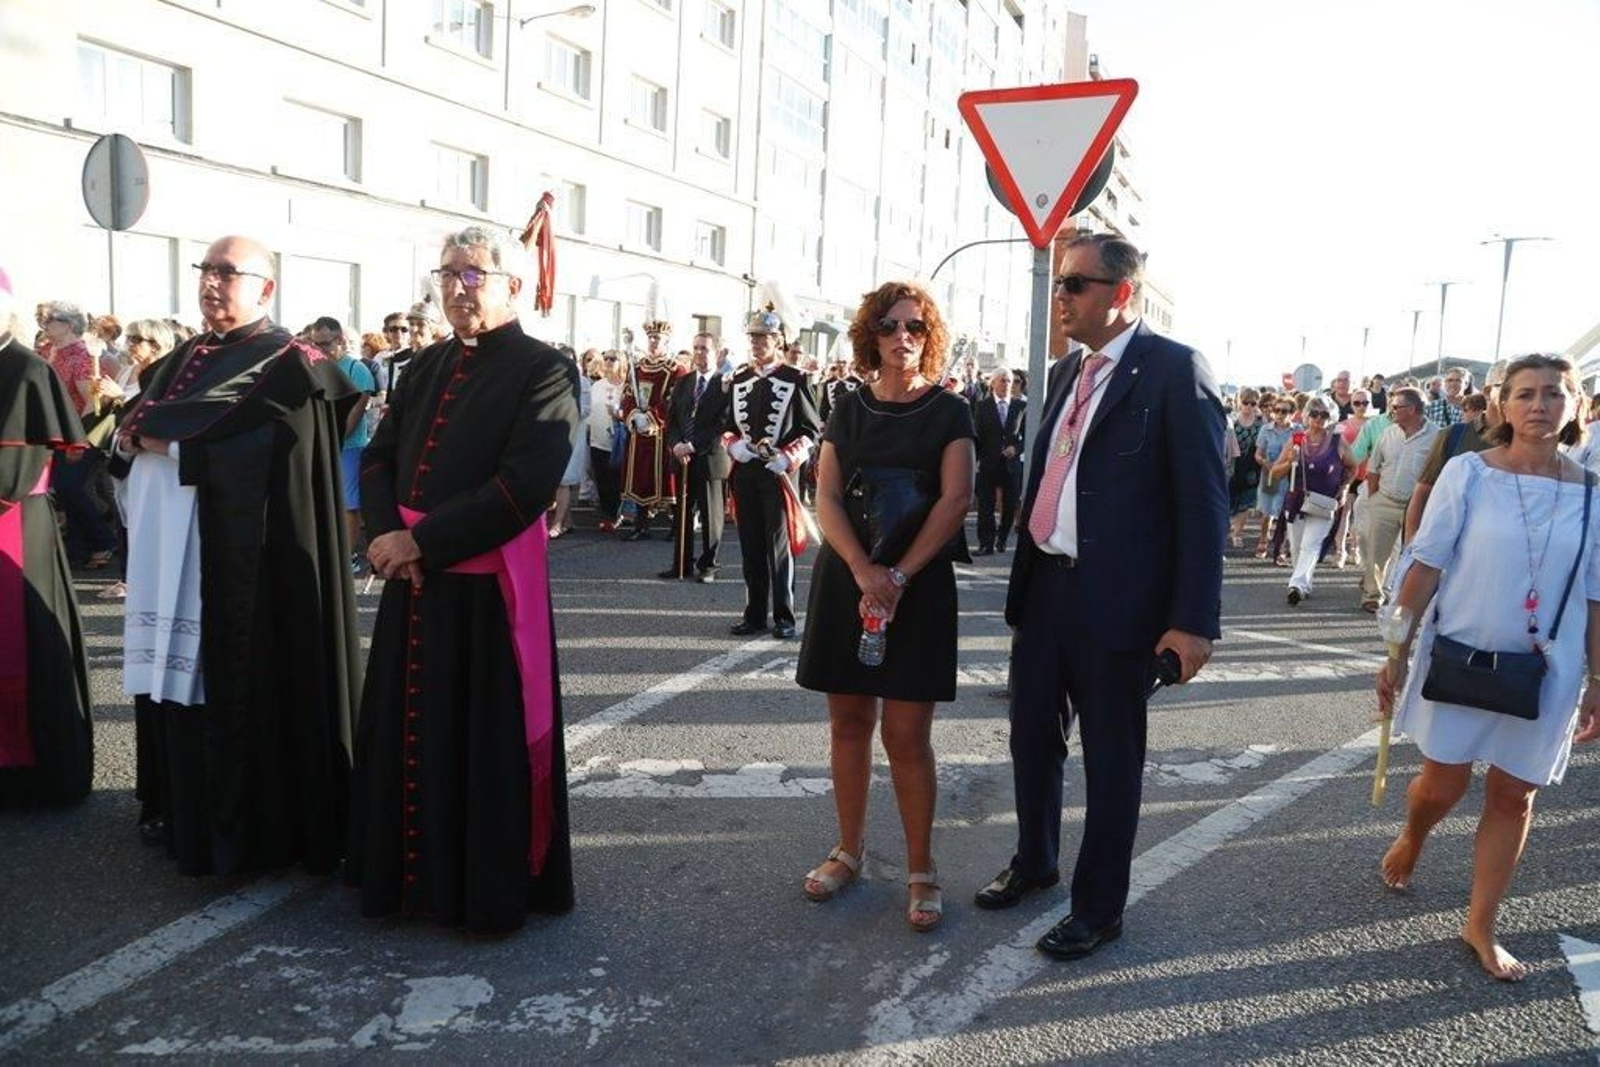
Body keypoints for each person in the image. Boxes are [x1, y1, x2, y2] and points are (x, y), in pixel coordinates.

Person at [975, 232, 1227, 960]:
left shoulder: (1177, 370)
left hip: (1122, 603)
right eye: (1059, 283)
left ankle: (1098, 907)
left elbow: (1203, 503)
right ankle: (1035, 859)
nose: (1060, 296)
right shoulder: (1064, 370)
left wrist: (1192, 621)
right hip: (1048, 587)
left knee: (1111, 759)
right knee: (1031, 736)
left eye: (1075, 284)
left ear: (1122, 294)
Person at [347, 225, 580, 933]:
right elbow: (380, 457)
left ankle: (478, 891)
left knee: (480, 745)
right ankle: (401, 879)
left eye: (473, 274)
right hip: (413, 580)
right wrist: (391, 536)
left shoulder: (544, 369)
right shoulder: (419, 366)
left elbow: (524, 485)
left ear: (512, 285)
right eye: (447, 273)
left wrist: (422, 540)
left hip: (484, 594)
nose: (456, 287)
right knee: (407, 733)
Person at [110, 235, 362, 873]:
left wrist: (174, 452)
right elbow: (142, 421)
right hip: (171, 550)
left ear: (265, 288)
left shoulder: (290, 362)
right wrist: (128, 439)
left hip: (248, 558)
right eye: (206, 270)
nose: (211, 282)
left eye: (228, 272)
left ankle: (248, 828)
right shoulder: (187, 354)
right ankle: (179, 806)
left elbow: (282, 457)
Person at [1376, 354, 1600, 982]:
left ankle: (1480, 922)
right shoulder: (1468, 474)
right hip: (1461, 654)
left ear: (1575, 406)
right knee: (1440, 788)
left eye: (1553, 394)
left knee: (1513, 794)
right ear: (1501, 406)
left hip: (1545, 670)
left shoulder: (1592, 494)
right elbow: (1426, 565)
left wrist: (1597, 681)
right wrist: (1396, 648)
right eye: (1524, 393)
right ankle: (1415, 835)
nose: (1539, 405)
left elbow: (1595, 591)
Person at [795, 281, 975, 932]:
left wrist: (896, 574)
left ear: (932, 337)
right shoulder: (847, 407)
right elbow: (829, 497)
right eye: (892, 325)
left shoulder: (950, 412)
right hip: (850, 577)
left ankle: (922, 868)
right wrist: (865, 571)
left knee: (906, 734)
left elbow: (955, 500)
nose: (905, 336)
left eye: (918, 327)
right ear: (870, 333)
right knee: (847, 721)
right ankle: (849, 850)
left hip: (918, 584)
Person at [0, 265, 94, 808]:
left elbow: (20, 467)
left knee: (25, 648)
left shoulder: (27, 369)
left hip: (16, 529)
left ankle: (34, 778)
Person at [723, 305, 821, 639]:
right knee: (750, 545)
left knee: (778, 547)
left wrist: (788, 457)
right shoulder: (739, 377)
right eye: (753, 337)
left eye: (763, 337)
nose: (756, 343)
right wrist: (734, 445)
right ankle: (754, 615)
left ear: (778, 340)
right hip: (747, 472)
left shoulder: (794, 379)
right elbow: (727, 425)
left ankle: (784, 617)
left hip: (777, 473)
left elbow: (812, 430)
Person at [40, 302, 119, 569]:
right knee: (64, 489)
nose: (44, 323)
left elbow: (90, 402)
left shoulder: (82, 355)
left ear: (68, 325)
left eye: (51, 320)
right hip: (59, 432)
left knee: (69, 486)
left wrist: (79, 438)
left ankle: (103, 540)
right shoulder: (51, 351)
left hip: (79, 433)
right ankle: (78, 549)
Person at [1268, 397, 1356, 605]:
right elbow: (1274, 474)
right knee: (1297, 548)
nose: (1318, 418)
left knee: (1310, 544)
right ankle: (1303, 585)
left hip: (1324, 503)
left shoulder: (1338, 441)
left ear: (1331, 417)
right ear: (1306, 416)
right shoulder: (1296, 440)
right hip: (1296, 501)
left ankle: (1296, 585)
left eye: (1324, 415)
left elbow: (1353, 467)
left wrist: (1344, 488)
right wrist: (1290, 461)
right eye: (1314, 414)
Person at [1360, 387, 1438, 610]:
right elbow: (1374, 467)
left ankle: (1403, 597)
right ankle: (1372, 595)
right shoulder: (1388, 433)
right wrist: (1374, 499)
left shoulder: (1436, 436)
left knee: (1412, 556)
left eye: (1396, 407)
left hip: (1417, 506)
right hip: (1384, 500)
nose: (1391, 411)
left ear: (1412, 409)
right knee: (1376, 552)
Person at [661, 331, 729, 581]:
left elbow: (723, 424)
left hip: (709, 457)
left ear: (717, 353)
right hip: (682, 458)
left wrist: (692, 445)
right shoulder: (684, 381)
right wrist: (676, 444)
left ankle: (709, 566)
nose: (700, 353)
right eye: (696, 348)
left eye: (705, 349)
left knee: (712, 517)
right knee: (683, 513)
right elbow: (673, 418)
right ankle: (681, 563)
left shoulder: (725, 384)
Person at [310, 317, 374, 573]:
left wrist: (329, 439)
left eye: (325, 344)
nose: (320, 349)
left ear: (340, 340)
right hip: (323, 445)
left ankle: (345, 559)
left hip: (349, 447)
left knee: (348, 506)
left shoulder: (356, 370)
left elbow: (355, 415)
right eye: (316, 344)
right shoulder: (314, 366)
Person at [1404, 381, 1501, 544]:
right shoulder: (1454, 435)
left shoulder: (1530, 445)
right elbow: (1423, 491)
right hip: (1448, 549)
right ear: (1489, 391)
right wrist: (1411, 547)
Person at [618, 321, 681, 541]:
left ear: (666, 341)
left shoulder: (675, 369)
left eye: (658, 339)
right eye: (651, 338)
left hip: (662, 434)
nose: (653, 342)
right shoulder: (637, 368)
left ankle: (676, 526)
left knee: (667, 479)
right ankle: (641, 524)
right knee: (639, 476)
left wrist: (653, 417)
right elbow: (627, 395)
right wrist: (634, 415)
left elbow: (675, 400)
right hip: (638, 432)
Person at [972, 368, 1026, 555]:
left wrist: (1017, 449)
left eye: (1010, 381)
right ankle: (985, 543)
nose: (1006, 384)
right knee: (986, 504)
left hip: (1011, 465)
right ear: (993, 383)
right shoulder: (982, 406)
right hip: (988, 463)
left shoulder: (1020, 407)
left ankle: (1001, 539)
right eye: (1002, 380)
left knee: (1010, 504)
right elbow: (976, 435)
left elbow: (1027, 436)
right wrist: (976, 461)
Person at [549, 344, 590, 538]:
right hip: (553, 435)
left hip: (572, 435)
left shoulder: (582, 382)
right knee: (556, 480)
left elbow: (585, 409)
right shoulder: (552, 380)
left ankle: (557, 523)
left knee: (564, 481)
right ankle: (567, 520)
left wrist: (564, 410)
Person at [1253, 396, 1296, 563]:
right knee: (1267, 512)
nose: (1279, 414)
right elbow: (1257, 453)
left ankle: (1282, 547)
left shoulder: (1298, 430)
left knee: (1285, 513)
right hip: (1269, 474)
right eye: (1276, 410)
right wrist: (1265, 463)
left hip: (1289, 476)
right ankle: (1263, 539)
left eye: (1284, 411)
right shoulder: (1266, 429)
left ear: (1292, 413)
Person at [587, 352, 626, 532]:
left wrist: (620, 415)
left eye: (613, 359)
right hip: (598, 438)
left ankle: (619, 513)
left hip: (620, 439)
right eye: (607, 359)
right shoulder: (597, 386)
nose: (609, 362)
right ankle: (607, 514)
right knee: (602, 477)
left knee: (617, 478)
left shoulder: (627, 386)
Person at [1226, 387, 1263, 550]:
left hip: (1251, 467)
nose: (1248, 406)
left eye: (1252, 403)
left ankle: (1237, 534)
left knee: (1246, 502)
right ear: (1239, 402)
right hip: (1232, 464)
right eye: (1245, 402)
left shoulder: (1261, 423)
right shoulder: (1231, 421)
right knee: (1229, 499)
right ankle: (1227, 529)